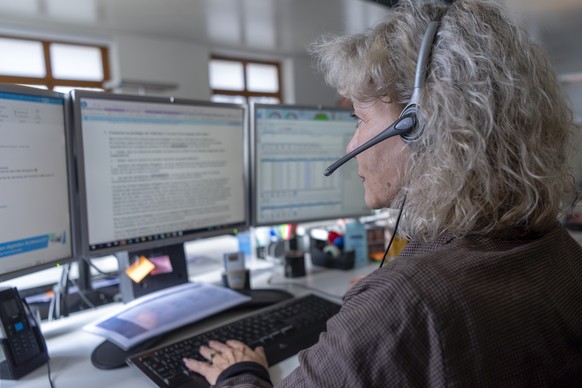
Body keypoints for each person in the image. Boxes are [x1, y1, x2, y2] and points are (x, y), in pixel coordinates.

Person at [184, 0, 582, 385]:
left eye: (360, 119)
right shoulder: (559, 247)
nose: (350, 144)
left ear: (418, 125)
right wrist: (382, 311)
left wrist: (239, 373)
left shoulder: (401, 303)